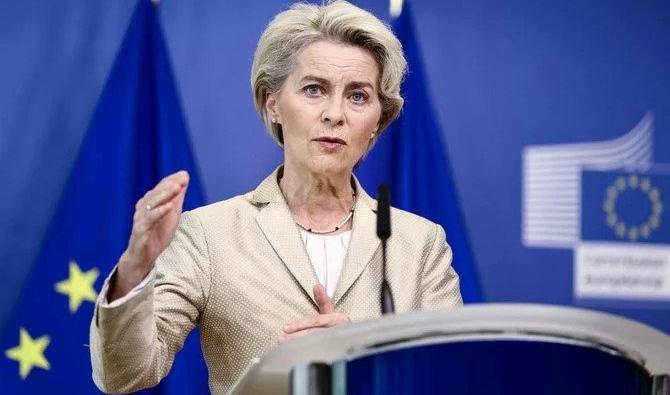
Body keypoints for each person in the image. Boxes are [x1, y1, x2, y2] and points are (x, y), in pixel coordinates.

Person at [89, 1, 462, 393]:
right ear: (273, 103)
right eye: (314, 90)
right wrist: (135, 269)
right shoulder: (209, 234)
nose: (335, 113)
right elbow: (124, 375)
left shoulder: (419, 243)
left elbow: (454, 382)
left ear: (376, 122)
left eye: (357, 96)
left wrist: (368, 356)